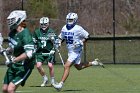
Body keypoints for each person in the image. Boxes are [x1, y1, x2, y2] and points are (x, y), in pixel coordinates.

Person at [52, 12, 104, 91]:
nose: (69, 21)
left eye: (71, 20)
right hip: (70, 50)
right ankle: (94, 63)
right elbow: (61, 37)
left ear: (75, 20)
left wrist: (80, 42)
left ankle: (60, 85)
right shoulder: (64, 28)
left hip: (76, 50)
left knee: (66, 66)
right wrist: (58, 43)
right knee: (78, 67)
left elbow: (87, 36)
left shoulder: (78, 28)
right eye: (68, 20)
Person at [2, 10, 35, 93]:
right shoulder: (12, 33)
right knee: (5, 89)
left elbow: (29, 53)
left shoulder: (26, 34)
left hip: (24, 66)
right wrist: (6, 51)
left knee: (10, 89)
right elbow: (12, 49)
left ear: (20, 20)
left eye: (12, 19)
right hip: (14, 66)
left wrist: (14, 60)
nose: (10, 22)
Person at [33, 17, 57, 87]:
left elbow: (57, 43)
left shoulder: (51, 32)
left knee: (50, 65)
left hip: (49, 52)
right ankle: (45, 78)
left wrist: (54, 49)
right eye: (42, 24)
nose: (43, 25)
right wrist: (34, 47)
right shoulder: (37, 32)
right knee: (38, 66)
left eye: (45, 24)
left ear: (48, 24)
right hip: (40, 52)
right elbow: (33, 41)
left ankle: (53, 81)